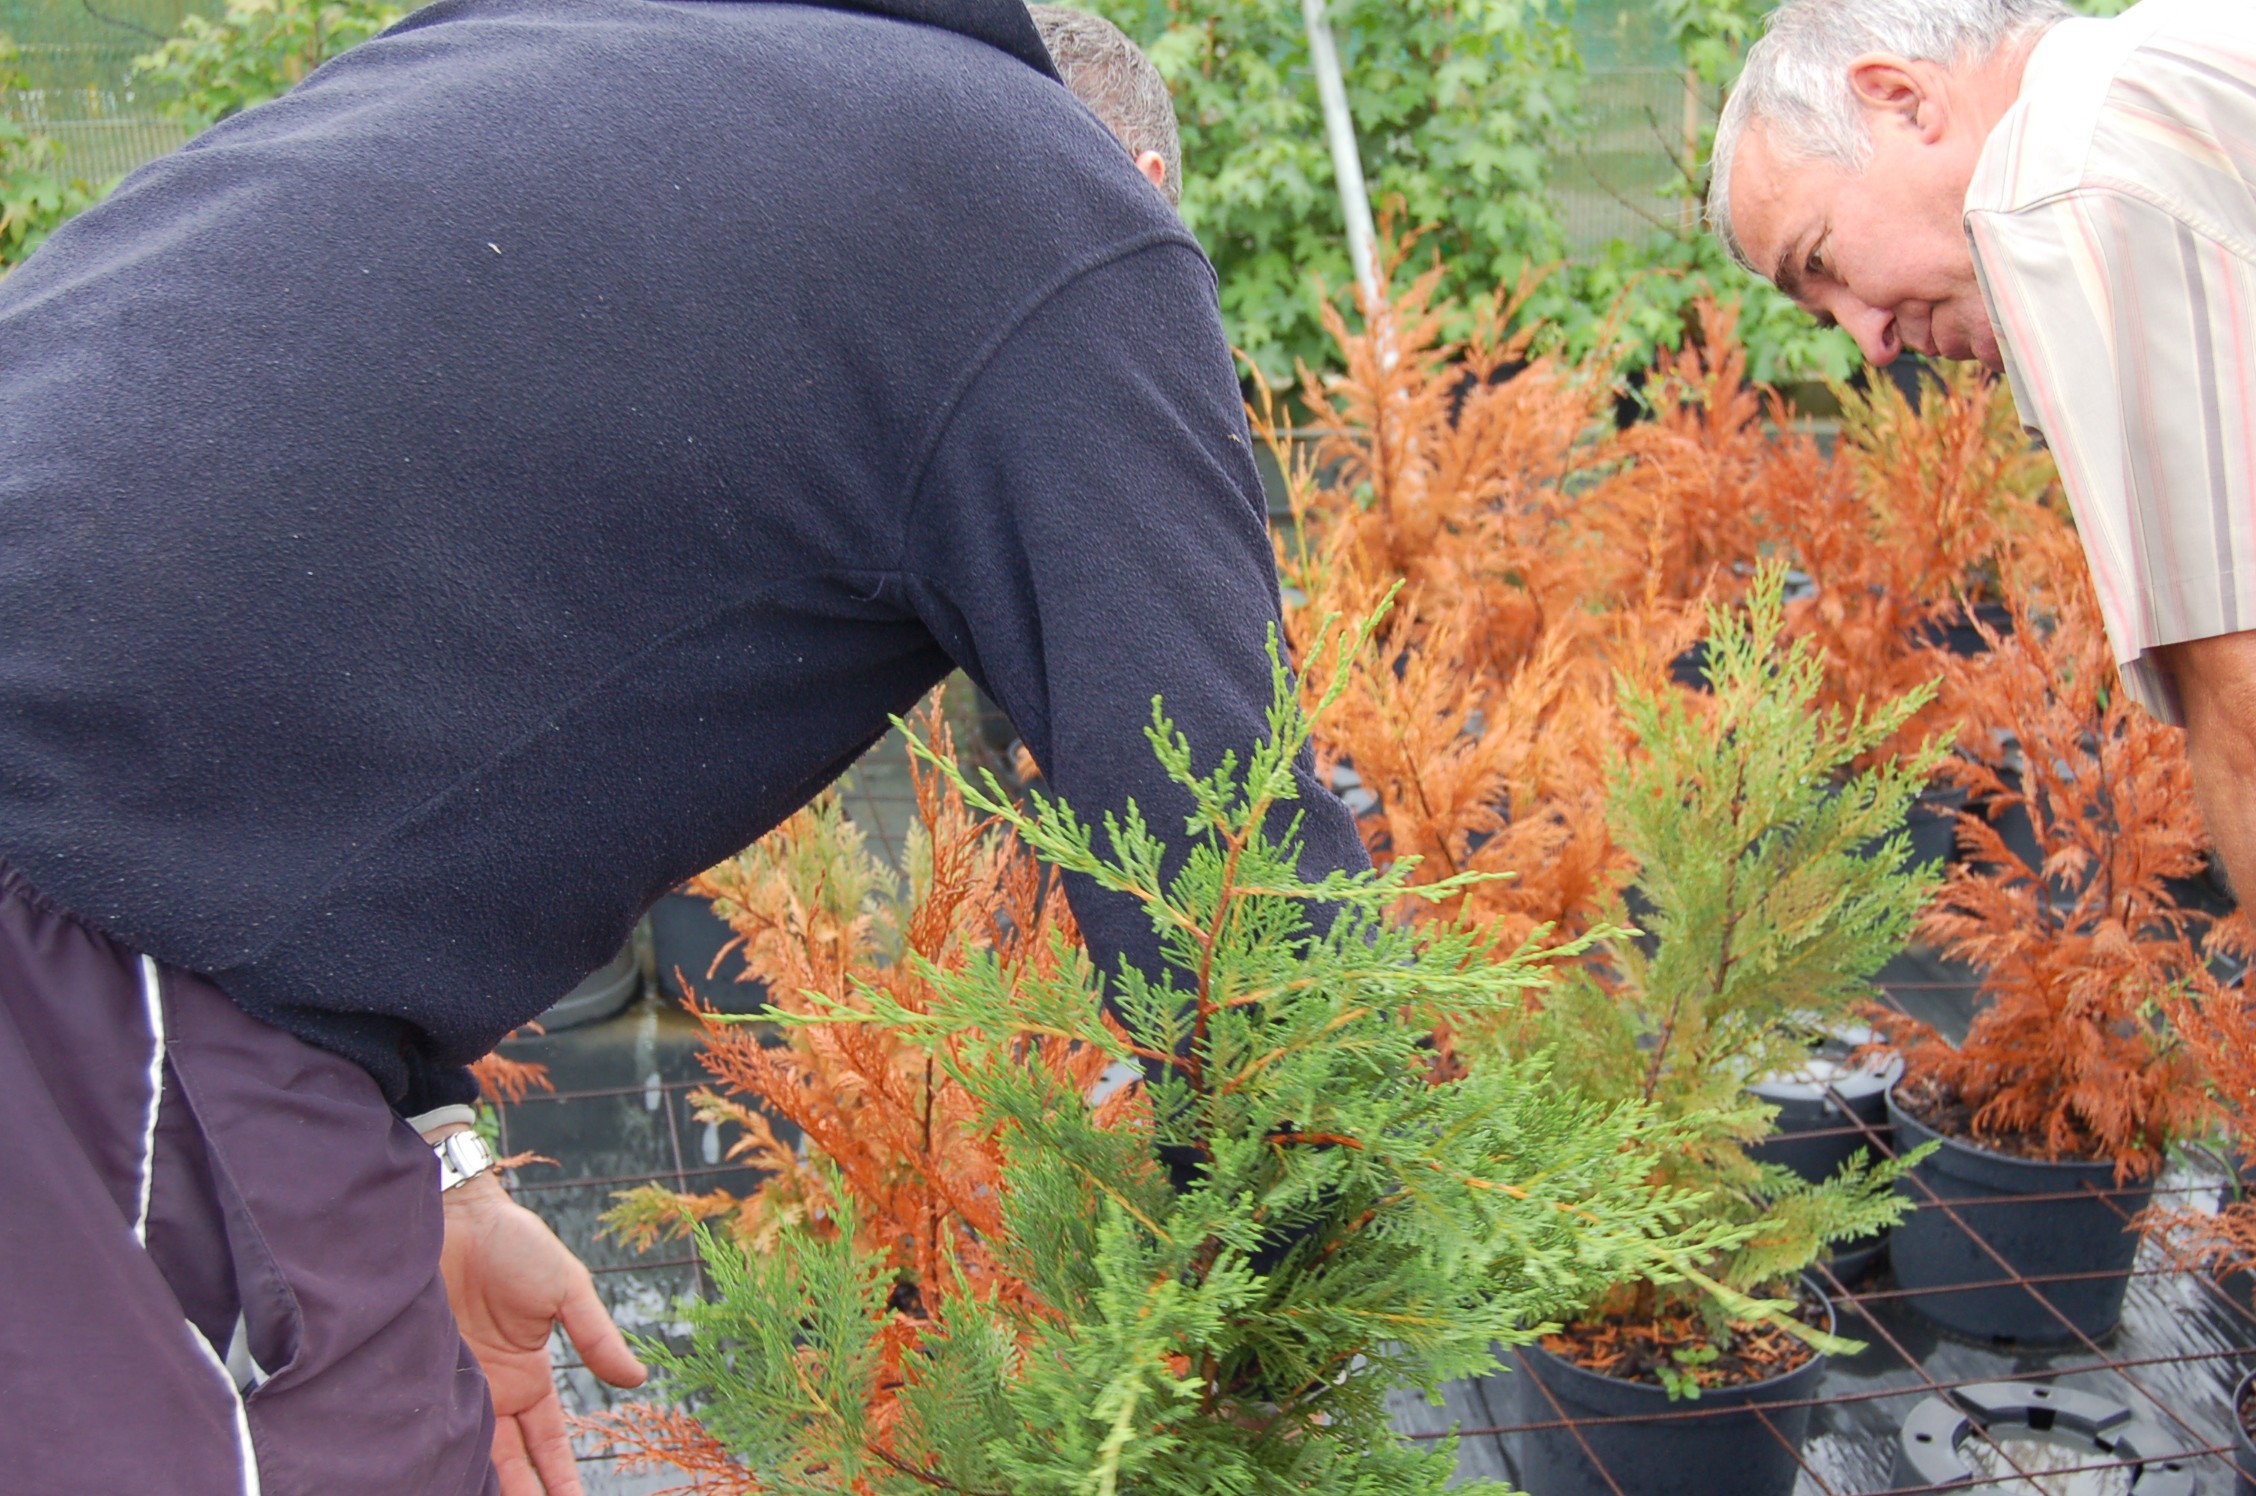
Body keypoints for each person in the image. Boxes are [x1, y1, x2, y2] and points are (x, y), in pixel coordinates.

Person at [0, 1, 1366, 1493]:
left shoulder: (570, 38)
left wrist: (441, 1167)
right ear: (1145, 180)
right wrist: (1325, 1313)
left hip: (147, 887)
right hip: (89, 903)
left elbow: (326, 548)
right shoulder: (1067, 218)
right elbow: (1230, 883)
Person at [1708, 0, 2256, 896]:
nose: (1869, 338)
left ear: (1901, 99)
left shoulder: (2057, 183)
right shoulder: (2161, 68)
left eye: (1827, 263)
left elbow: (2247, 710)